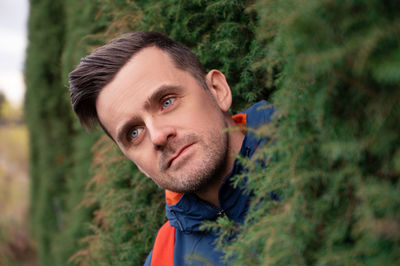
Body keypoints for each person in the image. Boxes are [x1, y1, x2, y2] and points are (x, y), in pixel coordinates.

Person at [69, 31, 274, 266]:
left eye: (167, 101)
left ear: (218, 90)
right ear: (137, 164)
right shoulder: (163, 259)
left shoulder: (315, 149)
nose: (157, 136)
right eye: (134, 133)